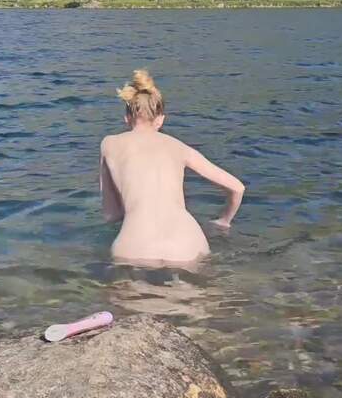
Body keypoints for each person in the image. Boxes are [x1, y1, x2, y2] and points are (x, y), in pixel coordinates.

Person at [100, 69, 245, 262]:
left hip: (136, 246)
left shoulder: (110, 144)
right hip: (187, 244)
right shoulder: (180, 147)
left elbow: (112, 215)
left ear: (127, 118)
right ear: (160, 119)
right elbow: (238, 188)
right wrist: (224, 221)